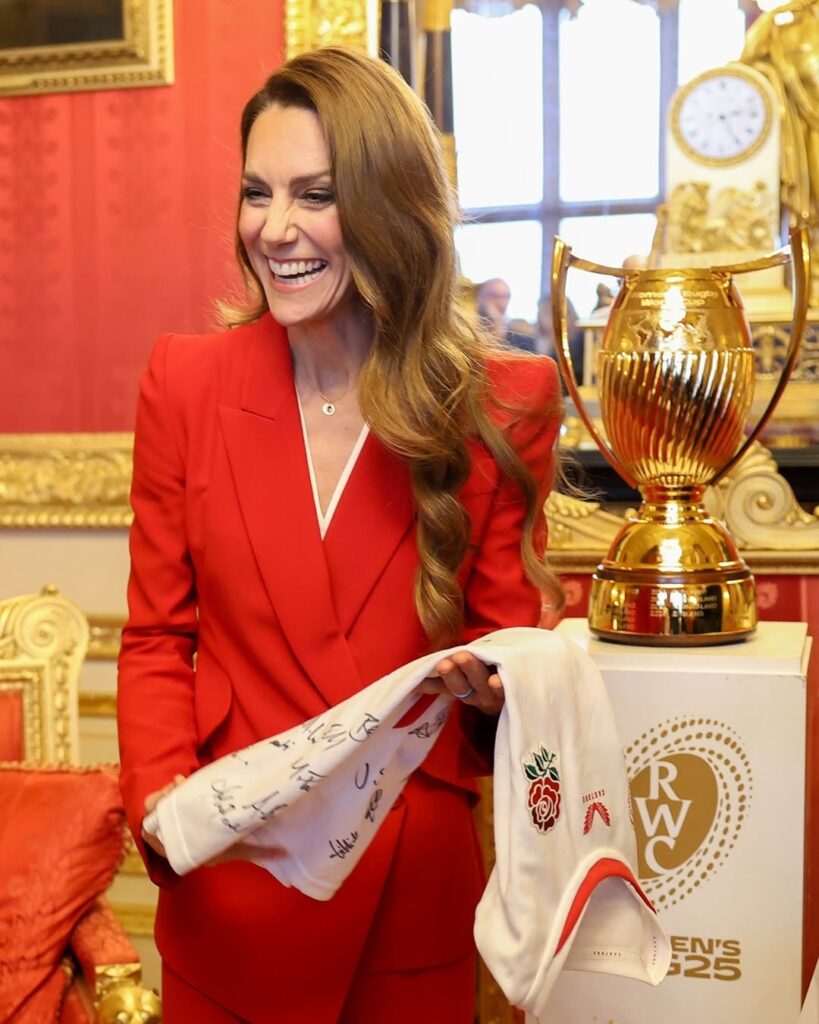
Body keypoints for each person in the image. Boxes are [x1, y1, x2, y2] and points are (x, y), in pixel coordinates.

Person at [117, 46, 562, 1024]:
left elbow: (507, 683)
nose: (274, 229)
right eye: (257, 192)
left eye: (315, 195)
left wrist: (500, 691)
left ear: (391, 206)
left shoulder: (502, 402)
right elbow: (155, 636)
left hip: (403, 910)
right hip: (230, 887)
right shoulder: (185, 384)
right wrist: (161, 802)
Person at [475, 276, 537, 352]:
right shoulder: (468, 331)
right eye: (495, 296)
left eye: (506, 297)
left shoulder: (521, 340)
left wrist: (497, 325)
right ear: (480, 297)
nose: (501, 303)